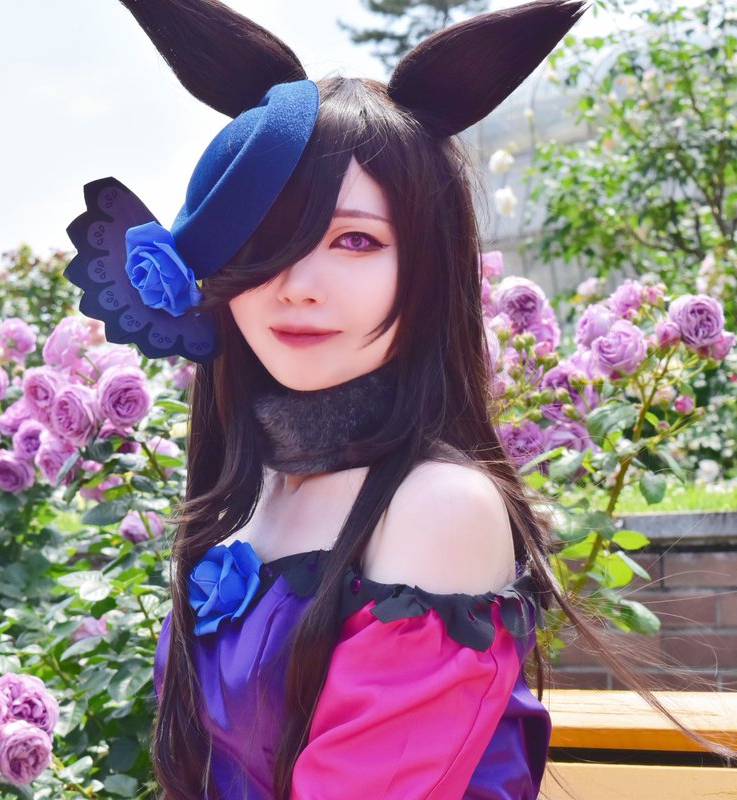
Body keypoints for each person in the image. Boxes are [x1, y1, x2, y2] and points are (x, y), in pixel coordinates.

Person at [58, 1, 726, 798]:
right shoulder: (259, 484)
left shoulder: (435, 507)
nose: (297, 285)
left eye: (355, 240)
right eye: (264, 243)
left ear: (431, 265)